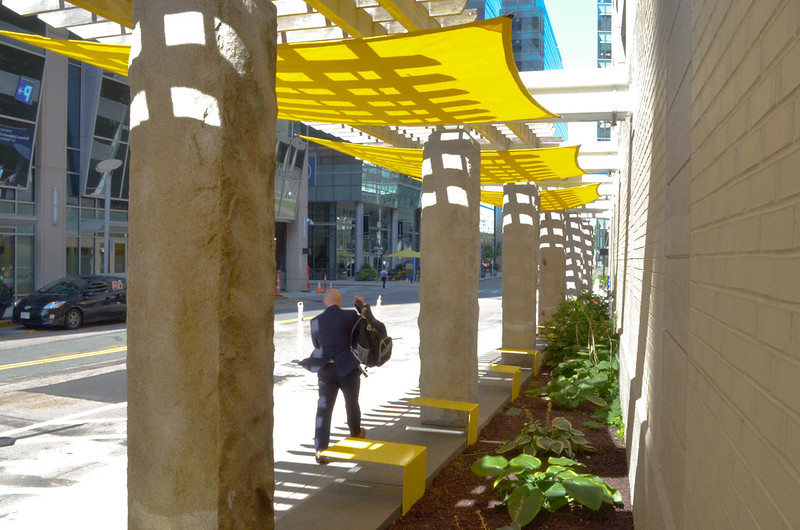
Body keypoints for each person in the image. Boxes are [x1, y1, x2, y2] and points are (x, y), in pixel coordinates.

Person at [301, 289, 366, 464]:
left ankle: (320, 450)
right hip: (348, 368)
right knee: (352, 402)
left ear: (324, 302)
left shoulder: (315, 322)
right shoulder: (351, 316)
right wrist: (362, 307)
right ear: (339, 301)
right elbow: (361, 335)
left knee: (324, 408)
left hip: (326, 371)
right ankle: (355, 434)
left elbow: (317, 345)